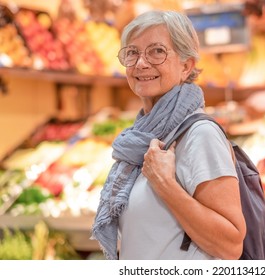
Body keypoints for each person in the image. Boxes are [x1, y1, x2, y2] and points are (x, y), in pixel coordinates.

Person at [91, 10, 246, 260]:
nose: (141, 63)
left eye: (157, 51)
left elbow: (231, 245)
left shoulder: (200, 134)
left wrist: (165, 184)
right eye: (132, 53)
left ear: (186, 66)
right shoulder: (139, 140)